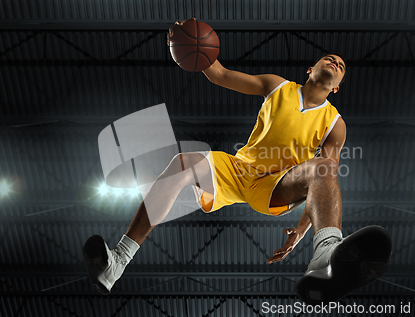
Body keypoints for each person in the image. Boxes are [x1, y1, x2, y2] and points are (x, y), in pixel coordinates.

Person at [83, 19, 391, 303]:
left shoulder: (335, 124)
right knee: (182, 162)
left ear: (337, 87)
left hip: (276, 184)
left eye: (340, 65)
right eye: (329, 58)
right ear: (310, 70)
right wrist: (191, 46)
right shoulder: (277, 86)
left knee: (325, 167)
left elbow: (323, 183)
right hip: (238, 169)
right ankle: (118, 261)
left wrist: (300, 230)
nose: (336, 62)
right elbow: (220, 74)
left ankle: (325, 257)